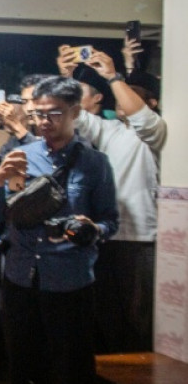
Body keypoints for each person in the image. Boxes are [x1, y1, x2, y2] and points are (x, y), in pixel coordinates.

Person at [0, 76, 118, 384]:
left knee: (75, 375)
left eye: (54, 114)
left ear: (75, 112)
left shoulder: (95, 164)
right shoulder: (19, 155)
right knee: (25, 372)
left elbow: (111, 221)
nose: (44, 122)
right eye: (38, 115)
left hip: (71, 280)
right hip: (20, 278)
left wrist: (92, 228)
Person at [59, 46, 166, 354]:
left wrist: (114, 76)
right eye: (119, 92)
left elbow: (144, 122)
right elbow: (73, 115)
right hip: (106, 236)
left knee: (138, 322)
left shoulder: (155, 131)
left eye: (131, 93)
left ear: (152, 102)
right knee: (108, 319)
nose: (121, 97)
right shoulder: (110, 130)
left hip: (141, 240)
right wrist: (67, 76)